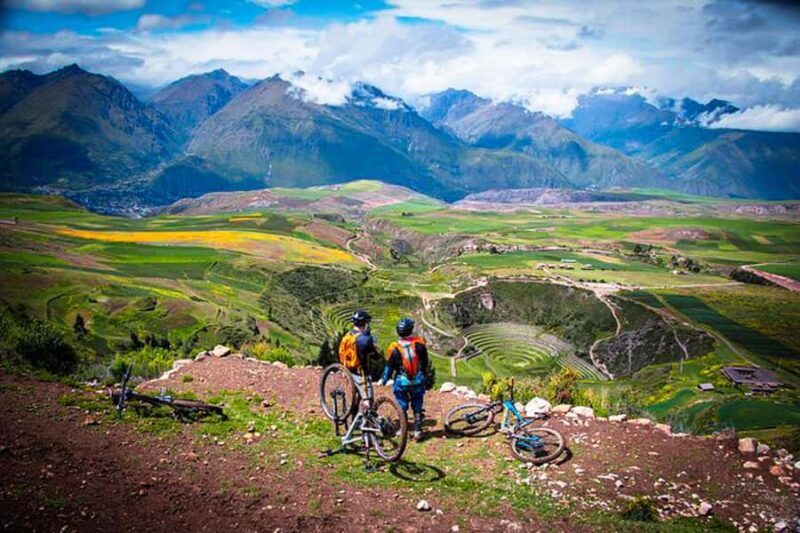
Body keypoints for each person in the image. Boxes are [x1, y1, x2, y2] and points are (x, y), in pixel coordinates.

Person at [381, 317, 429, 441]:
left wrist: (384, 379)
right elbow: (425, 362)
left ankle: (404, 430)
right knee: (417, 404)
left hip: (401, 382)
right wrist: (424, 376)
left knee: (402, 405)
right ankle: (418, 431)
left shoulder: (395, 348)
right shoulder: (419, 344)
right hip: (418, 380)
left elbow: (389, 366)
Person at [338, 309, 378, 399]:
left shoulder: (347, 336)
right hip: (362, 373)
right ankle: (366, 409)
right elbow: (376, 356)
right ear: (365, 324)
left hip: (348, 370)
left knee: (356, 396)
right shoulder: (363, 340)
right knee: (368, 400)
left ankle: (354, 412)